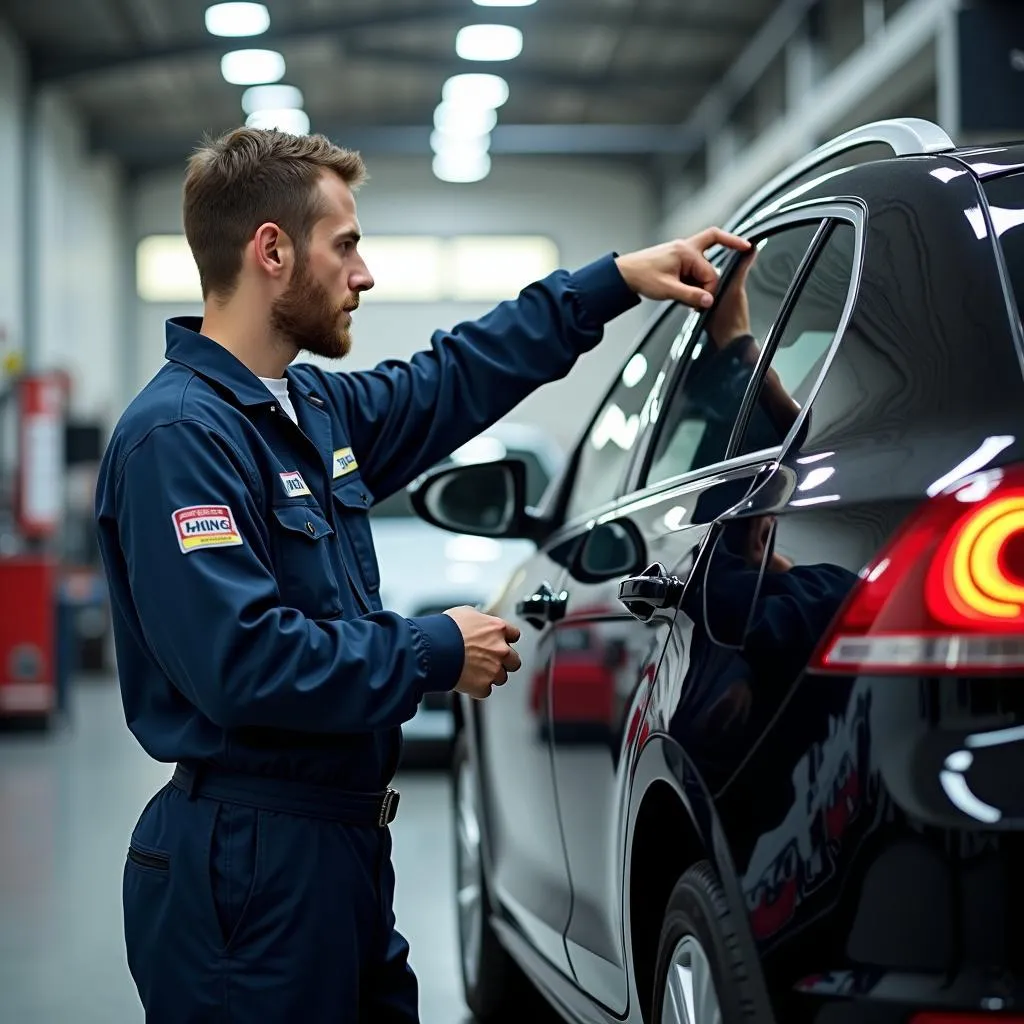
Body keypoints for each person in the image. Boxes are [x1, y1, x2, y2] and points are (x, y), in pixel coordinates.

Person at [94, 125, 749, 1023]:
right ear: (272, 251)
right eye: (347, 245)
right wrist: (433, 648)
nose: (364, 275)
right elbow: (239, 663)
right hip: (247, 870)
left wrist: (613, 284)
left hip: (339, 851)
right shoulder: (180, 438)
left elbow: (457, 376)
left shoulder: (311, 408)